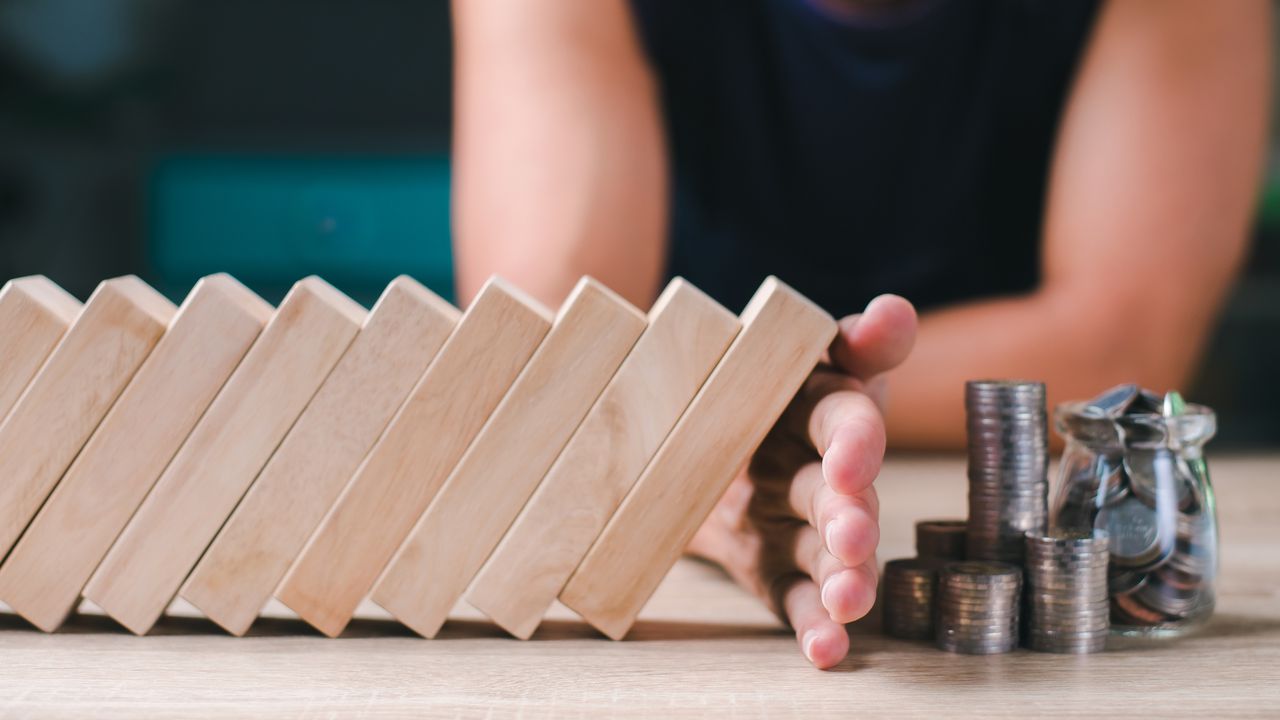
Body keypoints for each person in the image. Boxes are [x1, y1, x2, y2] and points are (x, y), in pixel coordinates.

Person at [448, 0, 1271, 668]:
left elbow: (1117, 343)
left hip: (745, 466)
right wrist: (724, 455)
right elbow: (550, 353)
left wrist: (743, 415)